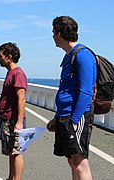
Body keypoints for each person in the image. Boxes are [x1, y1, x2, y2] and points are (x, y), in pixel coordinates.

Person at [47, 16, 96, 180]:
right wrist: (57, 117)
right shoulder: (69, 56)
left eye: (54, 32)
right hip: (65, 115)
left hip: (77, 116)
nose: (53, 36)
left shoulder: (83, 55)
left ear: (59, 34)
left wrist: (74, 121)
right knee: (72, 161)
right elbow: (67, 89)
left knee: (80, 163)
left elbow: (86, 91)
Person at [0, 42, 28, 180]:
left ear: (9, 57)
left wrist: (19, 122)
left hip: (14, 119)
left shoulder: (18, 74)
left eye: (0, 56)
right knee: (11, 151)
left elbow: (21, 99)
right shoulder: (10, 73)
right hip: (6, 118)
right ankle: (11, 177)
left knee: (16, 151)